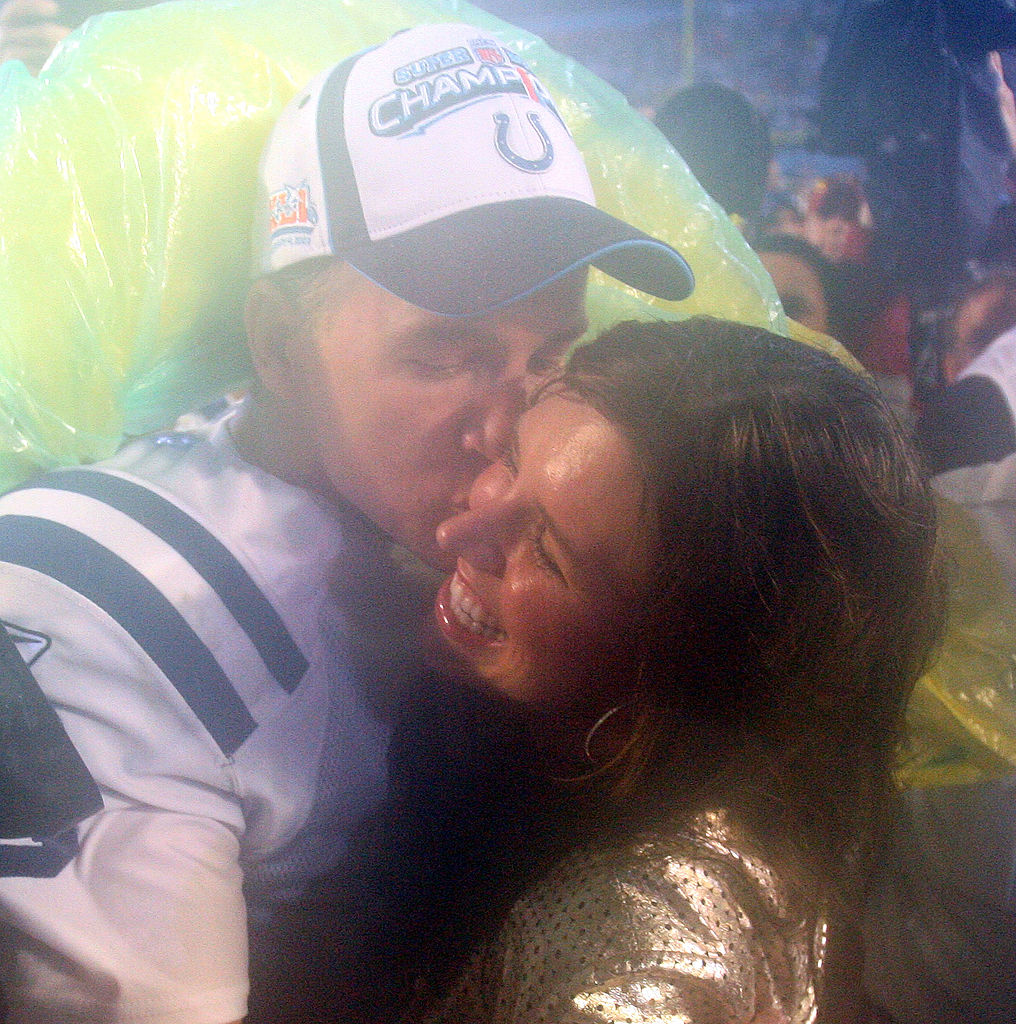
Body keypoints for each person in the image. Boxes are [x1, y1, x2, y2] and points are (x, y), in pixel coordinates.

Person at [0, 22, 694, 1024]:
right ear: (278, 348)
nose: (509, 428)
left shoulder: (433, 517)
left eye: (548, 356)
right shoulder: (105, 617)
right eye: (445, 355)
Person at [385, 316, 941, 1023]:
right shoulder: (557, 754)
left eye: (548, 553)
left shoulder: (636, 954)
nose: (456, 532)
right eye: (513, 458)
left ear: (683, 674)